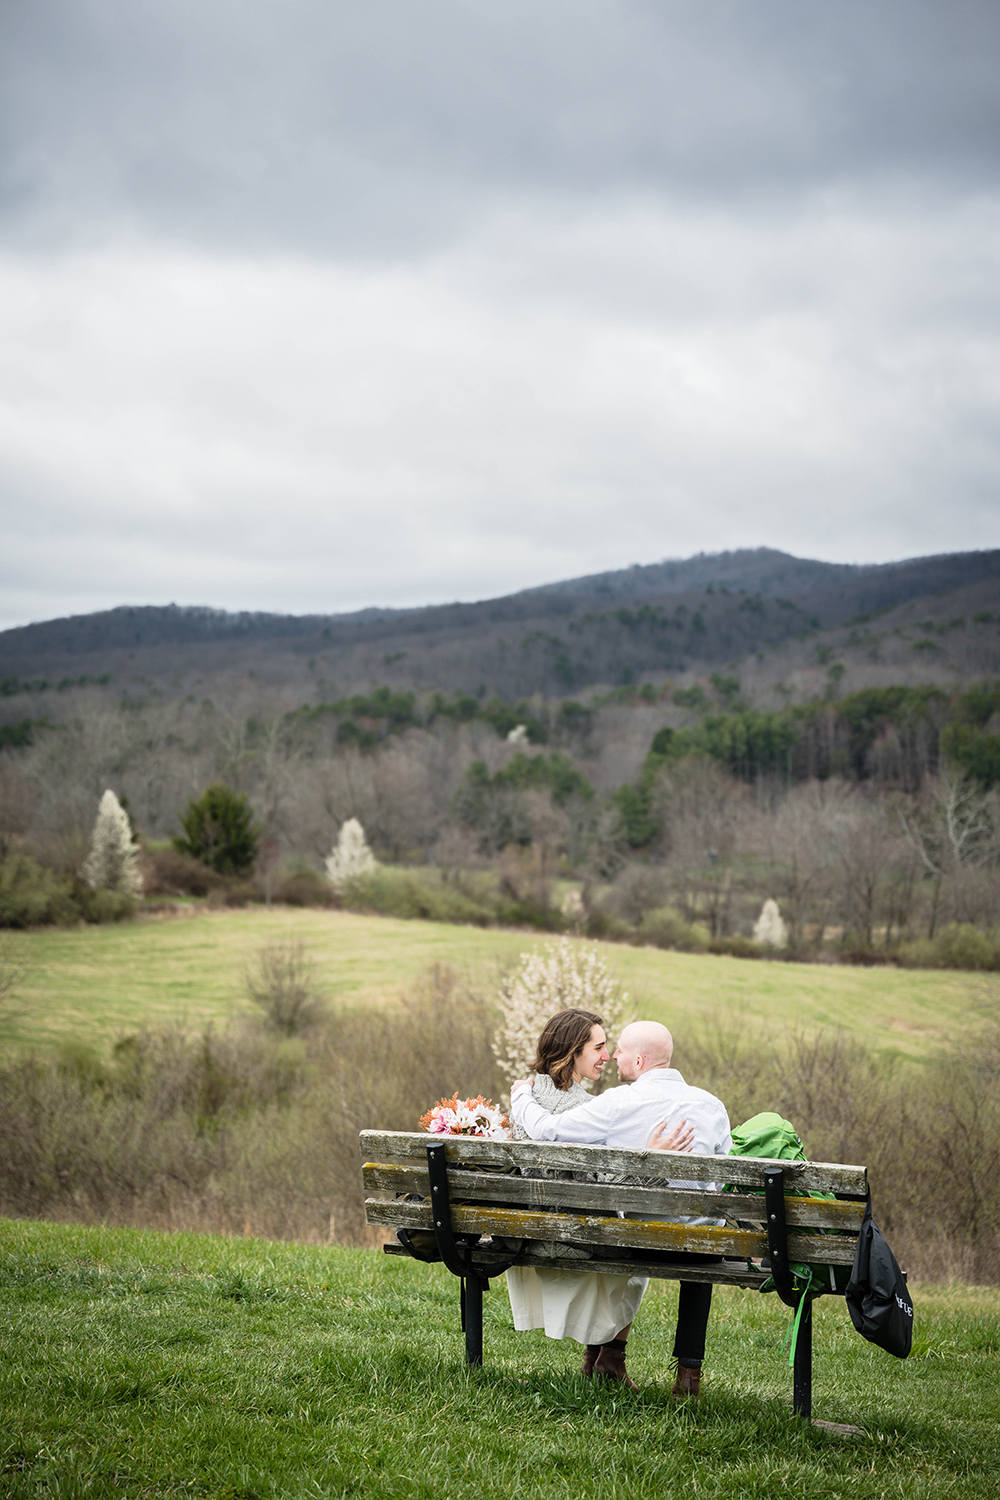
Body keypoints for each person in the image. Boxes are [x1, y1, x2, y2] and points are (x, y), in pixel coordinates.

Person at [511, 1019, 731, 1398]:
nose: (613, 1055)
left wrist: (520, 1097)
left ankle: (606, 1358)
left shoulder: (618, 1103)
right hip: (704, 1246)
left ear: (641, 1061)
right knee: (698, 1237)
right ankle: (687, 1379)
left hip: (642, 1241)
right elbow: (726, 1176)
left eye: (622, 1051)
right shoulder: (712, 1105)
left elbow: (548, 1131)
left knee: (630, 1235)